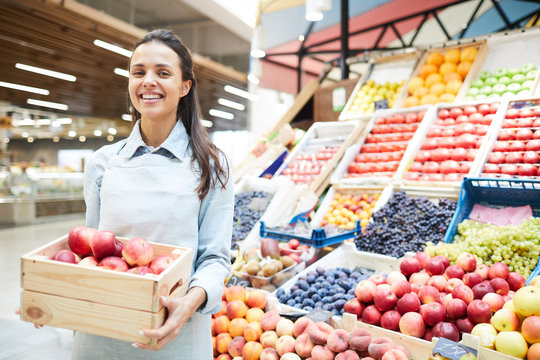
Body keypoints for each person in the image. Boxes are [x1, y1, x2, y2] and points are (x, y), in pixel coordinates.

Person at [72, 29, 234, 359]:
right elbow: (89, 254)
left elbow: (215, 260)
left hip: (175, 333)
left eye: (162, 72)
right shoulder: (103, 163)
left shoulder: (211, 165)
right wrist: (54, 299)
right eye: (138, 72)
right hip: (101, 334)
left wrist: (188, 303)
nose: (148, 81)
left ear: (185, 86)